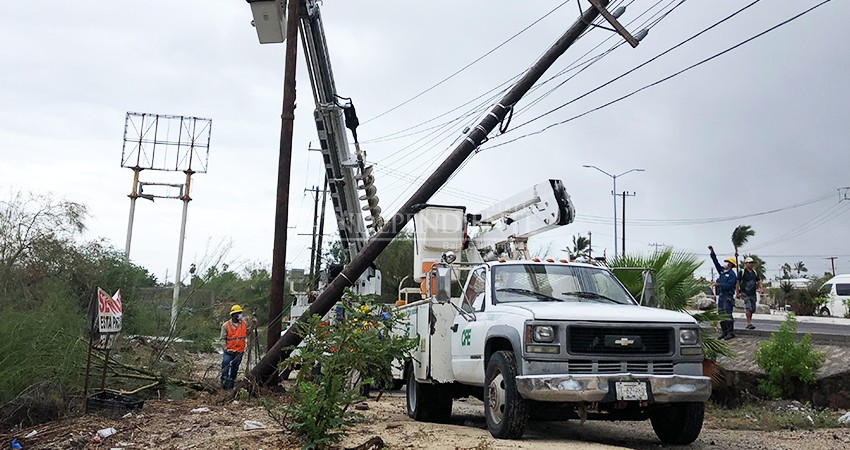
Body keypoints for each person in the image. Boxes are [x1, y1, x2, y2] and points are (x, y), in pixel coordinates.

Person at [708, 245, 738, 340]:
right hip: (721, 296)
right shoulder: (722, 272)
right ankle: (724, 332)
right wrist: (712, 252)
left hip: (728, 296)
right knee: (721, 314)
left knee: (728, 314)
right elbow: (716, 263)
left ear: (731, 264)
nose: (726, 263)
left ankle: (730, 332)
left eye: (728, 262)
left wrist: (718, 284)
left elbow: (729, 285)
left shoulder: (732, 275)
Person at [220, 304, 247, 390]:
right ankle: (224, 382)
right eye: (238, 313)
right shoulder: (225, 325)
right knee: (225, 363)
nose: (239, 315)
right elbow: (222, 339)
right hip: (229, 351)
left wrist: (254, 325)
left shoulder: (243, 324)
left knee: (235, 368)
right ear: (233, 315)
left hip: (239, 351)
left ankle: (231, 384)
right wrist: (226, 349)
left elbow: (247, 333)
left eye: (240, 313)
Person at [737, 257, 764, 330]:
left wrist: (761, 288)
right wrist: (737, 292)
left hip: (752, 293)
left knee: (753, 309)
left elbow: (759, 280)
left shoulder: (754, 272)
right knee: (748, 307)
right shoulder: (742, 272)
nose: (751, 264)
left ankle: (749, 322)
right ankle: (749, 323)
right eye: (749, 263)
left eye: (751, 262)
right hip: (745, 292)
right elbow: (738, 282)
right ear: (745, 264)